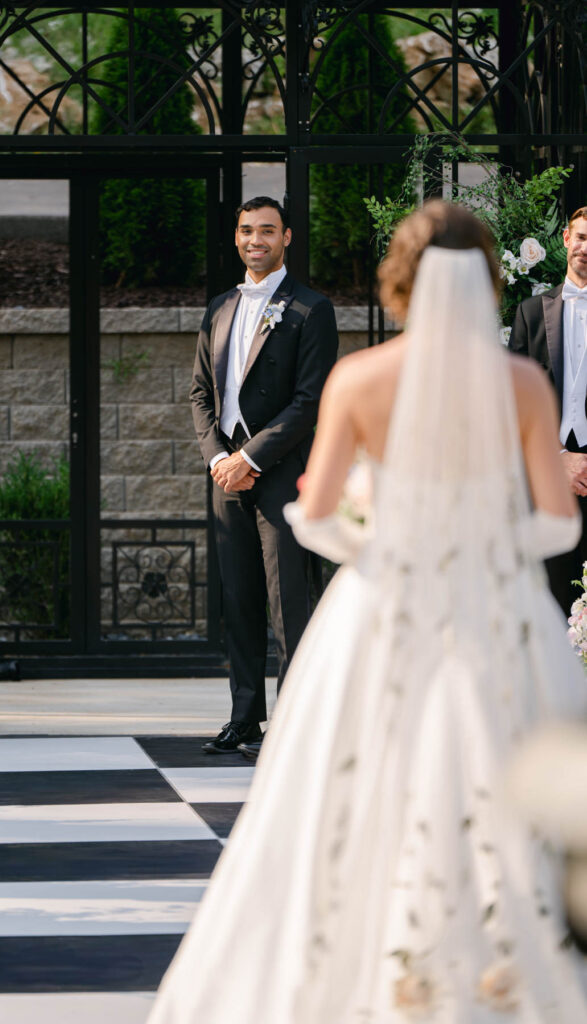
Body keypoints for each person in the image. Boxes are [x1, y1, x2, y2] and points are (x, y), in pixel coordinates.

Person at [148, 201, 587, 1023]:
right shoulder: (520, 383)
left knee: (339, 785)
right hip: (497, 613)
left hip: (382, 606)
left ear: (399, 279)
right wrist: (480, 544)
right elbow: (554, 522)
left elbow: (312, 521)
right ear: (486, 277)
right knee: (497, 780)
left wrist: (374, 528)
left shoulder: (361, 379)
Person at [191, 196, 338, 757]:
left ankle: (296, 724)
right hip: (225, 476)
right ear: (236, 238)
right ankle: (244, 718)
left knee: (287, 605)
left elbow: (309, 402)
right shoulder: (219, 307)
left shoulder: (310, 308)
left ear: (287, 238)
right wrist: (218, 461)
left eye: (268, 231)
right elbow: (200, 392)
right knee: (240, 601)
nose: (257, 240)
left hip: (277, 473)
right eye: (248, 231)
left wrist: (249, 459)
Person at [509, 206, 587, 615]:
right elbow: (515, 399)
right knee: (553, 598)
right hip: (548, 473)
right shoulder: (530, 312)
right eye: (581, 237)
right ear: (565, 240)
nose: (585, 248)